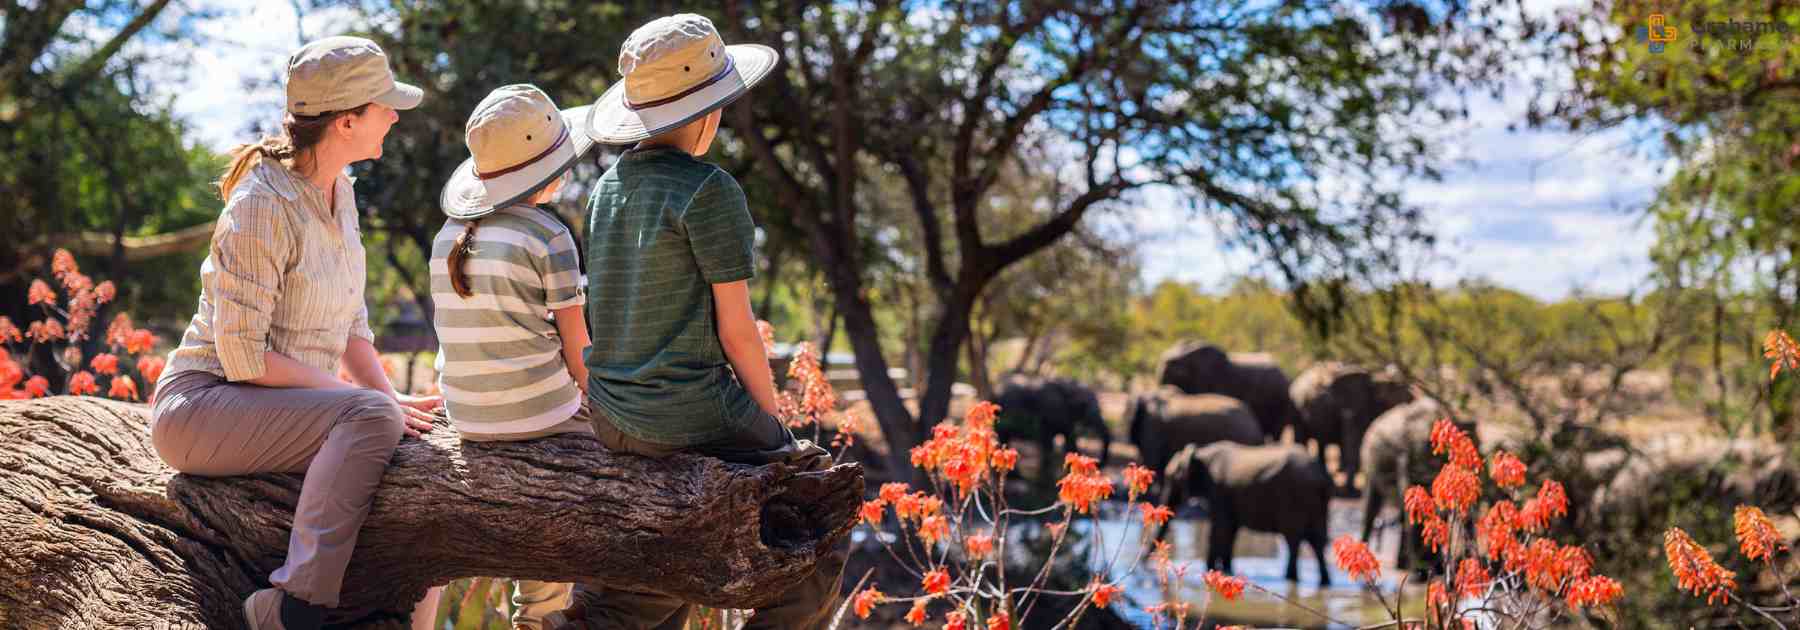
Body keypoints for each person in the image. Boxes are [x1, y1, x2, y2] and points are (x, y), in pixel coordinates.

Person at [148, 36, 439, 630]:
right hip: (203, 405)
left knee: (408, 441)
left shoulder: (344, 190)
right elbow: (244, 357)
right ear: (348, 120)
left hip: (285, 403)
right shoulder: (261, 204)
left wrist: (385, 393)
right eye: (384, 105)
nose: (393, 115)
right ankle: (293, 608)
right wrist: (367, 403)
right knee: (373, 418)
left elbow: (352, 323)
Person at [572, 13, 842, 629]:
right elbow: (737, 330)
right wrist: (773, 428)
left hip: (612, 413)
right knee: (818, 510)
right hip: (689, 413)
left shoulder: (604, 189)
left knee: (658, 577)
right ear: (708, 112)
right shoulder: (709, 189)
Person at [423, 83, 598, 630]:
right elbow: (578, 351)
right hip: (539, 413)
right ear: (549, 169)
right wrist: (603, 408)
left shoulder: (446, 237)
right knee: (596, 466)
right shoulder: (549, 235)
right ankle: (542, 617)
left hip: (469, 417)